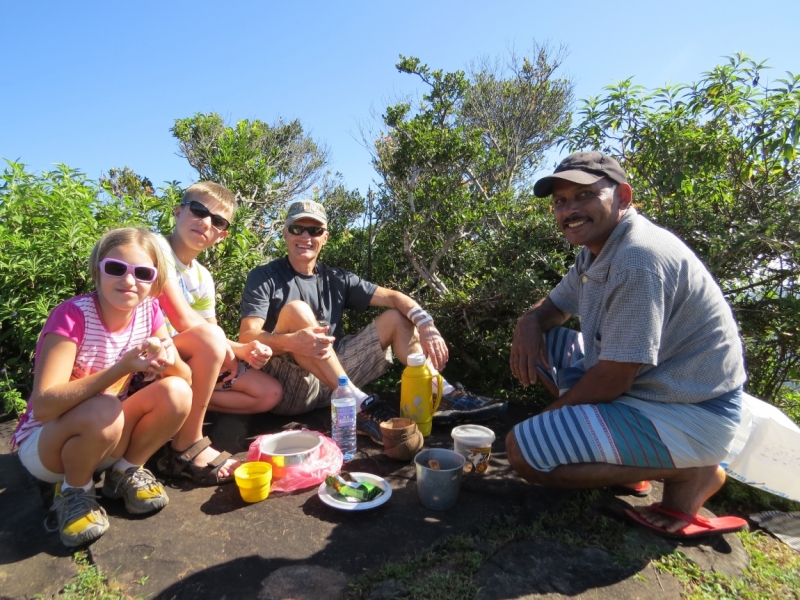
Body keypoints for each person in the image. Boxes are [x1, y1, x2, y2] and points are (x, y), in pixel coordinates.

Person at [507, 151, 748, 539]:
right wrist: (529, 321)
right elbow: (554, 307)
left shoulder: (638, 258)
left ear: (622, 196)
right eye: (560, 202)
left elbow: (613, 379)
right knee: (544, 342)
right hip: (650, 387)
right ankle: (629, 460)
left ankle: (692, 469)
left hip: (693, 409)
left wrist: (547, 416)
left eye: (583, 195)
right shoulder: (596, 252)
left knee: (524, 451)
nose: (568, 210)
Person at [239, 199, 507, 444]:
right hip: (292, 388)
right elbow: (247, 337)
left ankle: (442, 393)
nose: (306, 237)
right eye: (297, 229)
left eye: (315, 231)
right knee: (296, 310)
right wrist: (292, 342)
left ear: (325, 237)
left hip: (335, 383)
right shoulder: (264, 277)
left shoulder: (336, 277)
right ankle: (361, 405)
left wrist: (426, 324)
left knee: (396, 317)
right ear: (285, 233)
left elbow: (394, 298)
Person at [11, 228, 192, 547]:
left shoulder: (149, 312)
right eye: (116, 268)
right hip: (47, 448)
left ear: (154, 283)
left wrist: (165, 355)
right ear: (98, 269)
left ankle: (124, 473)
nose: (129, 280)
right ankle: (73, 493)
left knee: (177, 392)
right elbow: (44, 406)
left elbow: (184, 377)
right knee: (105, 407)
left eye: (143, 273)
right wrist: (121, 369)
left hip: (106, 437)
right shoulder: (73, 316)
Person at [154, 182, 281, 486]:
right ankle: (186, 444)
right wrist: (226, 347)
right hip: (150, 353)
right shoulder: (153, 248)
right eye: (198, 210)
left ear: (222, 235)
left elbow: (209, 330)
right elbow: (184, 320)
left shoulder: (202, 275)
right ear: (178, 211)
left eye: (218, 221)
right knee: (213, 340)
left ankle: (191, 407)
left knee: (271, 393)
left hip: (188, 353)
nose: (206, 222)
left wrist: (242, 351)